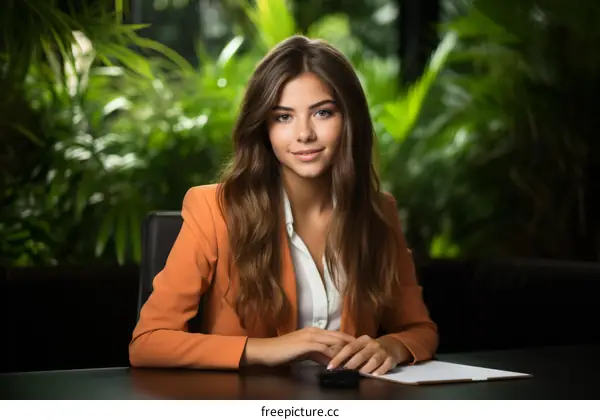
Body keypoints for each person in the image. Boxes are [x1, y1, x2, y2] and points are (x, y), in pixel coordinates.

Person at [129, 35, 438, 376]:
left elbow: (420, 331)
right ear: (263, 128)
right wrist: (271, 349)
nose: (304, 134)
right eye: (283, 117)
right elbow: (149, 342)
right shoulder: (213, 209)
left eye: (322, 112)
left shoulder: (378, 212)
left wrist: (388, 348)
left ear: (350, 120)